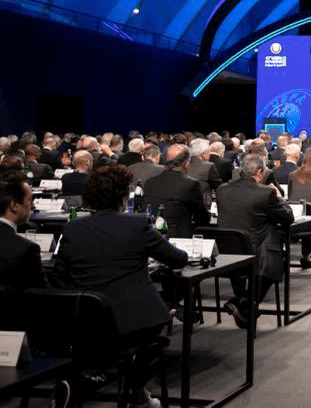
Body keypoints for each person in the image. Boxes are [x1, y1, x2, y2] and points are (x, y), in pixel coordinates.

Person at [52, 165, 188, 408]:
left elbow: (59, 276)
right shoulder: (136, 225)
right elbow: (178, 259)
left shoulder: (72, 228)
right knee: (155, 318)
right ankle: (136, 392)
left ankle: (122, 384)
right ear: (125, 196)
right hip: (133, 322)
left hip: (85, 320)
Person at [216, 153, 295, 329]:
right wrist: (279, 197)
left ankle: (243, 302)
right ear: (259, 172)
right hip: (256, 252)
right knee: (274, 254)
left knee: (257, 242)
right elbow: (288, 218)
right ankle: (245, 302)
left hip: (227, 250)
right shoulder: (265, 193)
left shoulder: (222, 190)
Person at [141, 143, 209, 238]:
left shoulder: (149, 182)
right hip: (178, 240)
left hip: (151, 238)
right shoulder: (191, 184)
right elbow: (202, 218)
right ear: (186, 164)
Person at [0, 171, 45, 299]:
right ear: (14, 205)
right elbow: (41, 296)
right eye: (30, 200)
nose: (33, 205)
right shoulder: (26, 249)